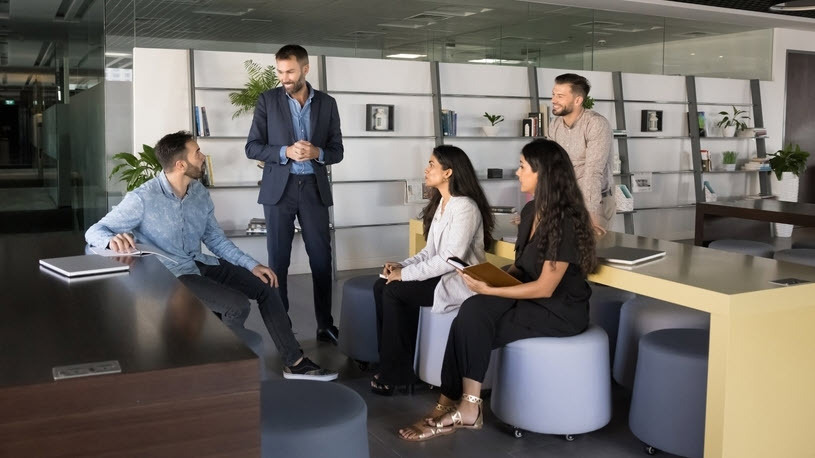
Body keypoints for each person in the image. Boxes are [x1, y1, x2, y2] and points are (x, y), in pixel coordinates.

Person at [86, 131, 337, 382]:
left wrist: (252, 265)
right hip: (174, 273)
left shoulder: (199, 193)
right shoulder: (142, 198)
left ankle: (294, 362)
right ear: (180, 164)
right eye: (197, 152)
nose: (203, 156)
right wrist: (110, 239)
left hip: (199, 262)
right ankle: (219, 371)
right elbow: (94, 231)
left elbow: (216, 240)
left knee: (267, 285)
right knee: (235, 305)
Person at [399, 138, 598, 441]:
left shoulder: (565, 221)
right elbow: (522, 267)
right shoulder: (532, 211)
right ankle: (453, 401)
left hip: (559, 310)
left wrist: (491, 291)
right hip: (530, 295)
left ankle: (467, 407)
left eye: (522, 167)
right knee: (470, 311)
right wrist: (491, 277)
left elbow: (545, 288)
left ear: (542, 174)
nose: (517, 173)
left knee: (477, 315)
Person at [370, 145, 494, 396]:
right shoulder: (443, 204)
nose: (426, 170)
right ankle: (392, 361)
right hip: (439, 274)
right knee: (381, 285)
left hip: (458, 280)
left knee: (395, 292)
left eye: (432, 165)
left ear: (448, 172)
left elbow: (450, 259)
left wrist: (404, 275)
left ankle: (396, 374)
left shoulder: (465, 207)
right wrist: (402, 265)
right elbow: (430, 252)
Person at [245, 44, 343, 344]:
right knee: (279, 261)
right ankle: (282, 326)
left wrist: (319, 152)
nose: (284, 78)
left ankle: (325, 325)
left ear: (305, 69)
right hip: (279, 192)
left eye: (289, 71)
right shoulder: (268, 101)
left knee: (322, 261)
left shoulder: (327, 104)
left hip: (313, 190)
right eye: (279, 71)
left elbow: (337, 151)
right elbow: (252, 147)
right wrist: (285, 151)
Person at [549, 73, 615, 235]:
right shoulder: (555, 124)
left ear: (578, 100)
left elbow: (593, 172)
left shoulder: (596, 124)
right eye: (553, 94)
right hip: (565, 200)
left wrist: (590, 215)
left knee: (592, 254)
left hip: (594, 201)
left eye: (560, 96)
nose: (553, 100)